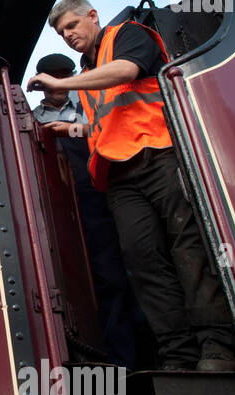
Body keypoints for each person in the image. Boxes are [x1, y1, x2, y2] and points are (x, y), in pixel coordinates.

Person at [26, 0, 235, 372]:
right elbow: (106, 123)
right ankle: (177, 355)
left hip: (160, 157)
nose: (69, 36)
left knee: (189, 252)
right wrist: (74, 128)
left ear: (93, 16)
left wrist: (61, 82)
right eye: (62, 33)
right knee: (144, 263)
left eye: (73, 25)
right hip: (119, 176)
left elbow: (127, 72)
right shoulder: (88, 69)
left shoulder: (128, 36)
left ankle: (218, 348)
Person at [32, 53, 148, 369]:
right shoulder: (28, 120)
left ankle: (126, 360)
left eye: (64, 74)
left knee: (114, 274)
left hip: (96, 201)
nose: (59, 81)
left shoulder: (90, 110)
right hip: (55, 213)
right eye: (52, 75)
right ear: (41, 81)